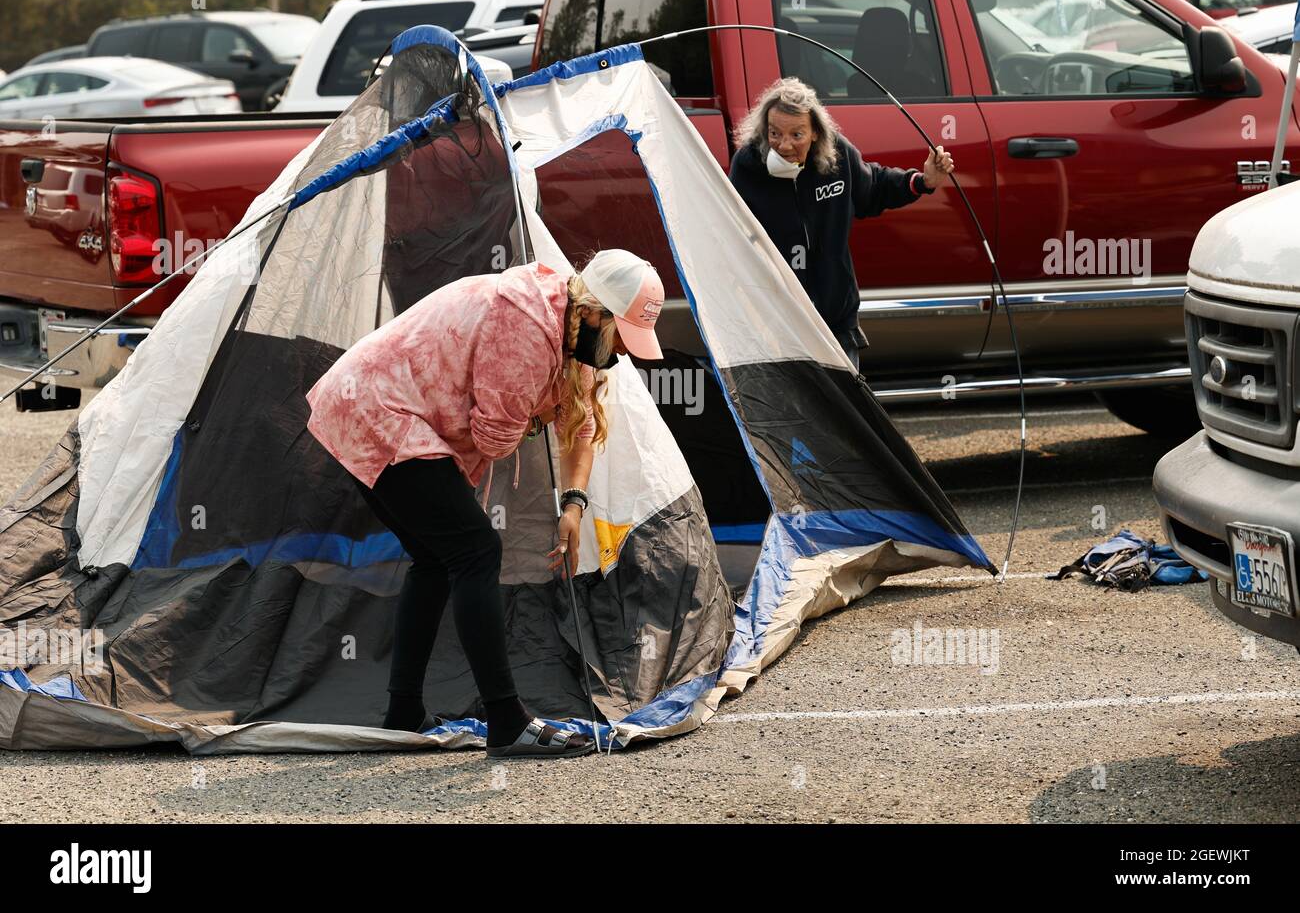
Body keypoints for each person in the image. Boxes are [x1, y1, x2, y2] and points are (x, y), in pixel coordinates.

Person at [304, 249, 665, 759]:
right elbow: (494, 439)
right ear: (592, 314)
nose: (621, 356)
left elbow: (582, 424)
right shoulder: (528, 325)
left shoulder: (565, 321)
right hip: (377, 407)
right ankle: (507, 722)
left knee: (436, 558)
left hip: (365, 402)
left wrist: (574, 504)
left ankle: (403, 713)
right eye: (620, 340)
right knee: (476, 551)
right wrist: (544, 408)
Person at [728, 77, 954, 372]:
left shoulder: (838, 156)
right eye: (774, 133)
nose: (784, 145)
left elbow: (874, 187)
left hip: (835, 321)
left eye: (796, 134)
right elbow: (729, 234)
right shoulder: (748, 166)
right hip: (777, 323)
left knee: (842, 412)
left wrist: (922, 182)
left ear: (816, 134)